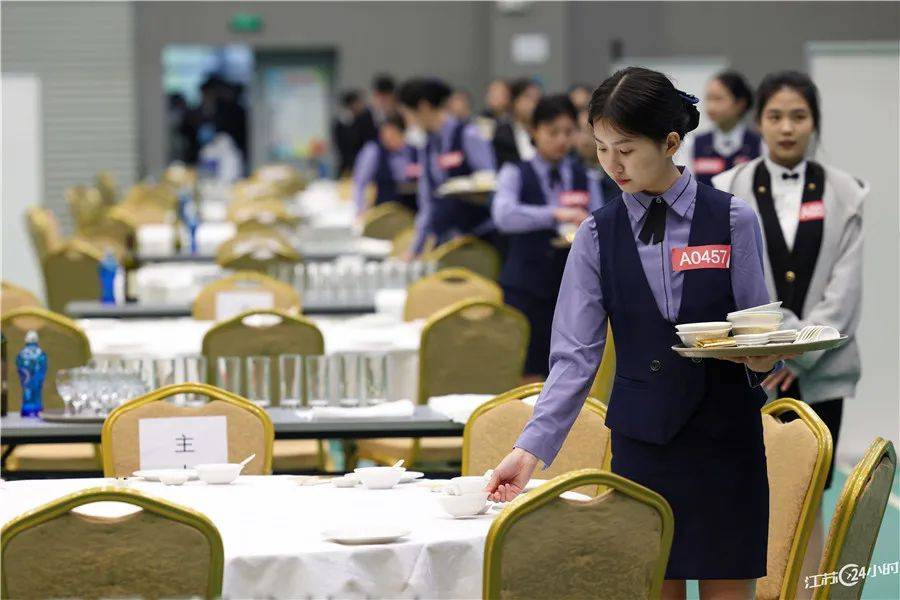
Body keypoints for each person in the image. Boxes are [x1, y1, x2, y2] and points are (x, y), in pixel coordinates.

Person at [486, 67, 798, 600]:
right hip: (644, 445)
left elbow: (757, 329)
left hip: (725, 440)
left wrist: (765, 359)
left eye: (626, 149)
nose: (612, 165)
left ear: (671, 142)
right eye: (602, 148)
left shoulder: (733, 221)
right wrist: (529, 450)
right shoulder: (594, 235)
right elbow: (574, 359)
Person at [712, 70, 865, 582]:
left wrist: (798, 352)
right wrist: (774, 349)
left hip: (821, 371)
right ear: (759, 121)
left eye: (798, 116)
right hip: (748, 368)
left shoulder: (848, 193)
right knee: (747, 486)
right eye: (775, 116)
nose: (786, 128)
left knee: (812, 491)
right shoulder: (726, 189)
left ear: (814, 123)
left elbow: (844, 295)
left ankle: (807, 592)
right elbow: (730, 281)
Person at [492, 94, 603, 379]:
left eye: (568, 132)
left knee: (572, 367)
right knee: (527, 368)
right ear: (534, 131)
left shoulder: (585, 175)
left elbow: (600, 220)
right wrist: (555, 214)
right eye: (553, 132)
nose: (561, 140)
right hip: (526, 286)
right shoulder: (516, 171)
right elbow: (504, 215)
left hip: (571, 285)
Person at [402, 77, 496, 257]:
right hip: (446, 239)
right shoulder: (427, 145)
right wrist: (416, 248)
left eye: (408, 114)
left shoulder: (468, 134)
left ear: (423, 107)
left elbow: (489, 180)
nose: (408, 122)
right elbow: (427, 201)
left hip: (478, 237)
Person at [679, 70, 763, 186]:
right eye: (709, 98)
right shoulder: (692, 144)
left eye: (718, 99)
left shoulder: (760, 145)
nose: (711, 106)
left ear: (740, 103)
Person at [351, 114, 420, 214]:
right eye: (384, 134)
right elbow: (361, 181)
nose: (387, 138)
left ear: (402, 133)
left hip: (412, 210)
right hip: (385, 210)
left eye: (392, 134)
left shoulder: (414, 151)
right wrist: (360, 209)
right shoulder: (373, 151)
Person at [492, 78, 541, 166]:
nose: (533, 103)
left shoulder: (544, 130)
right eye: (528, 97)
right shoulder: (503, 132)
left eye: (537, 98)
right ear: (515, 101)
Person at [332, 90, 368, 176]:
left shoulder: (364, 119)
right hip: (348, 166)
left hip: (361, 164)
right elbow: (342, 147)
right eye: (358, 103)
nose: (361, 105)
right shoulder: (340, 124)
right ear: (352, 105)